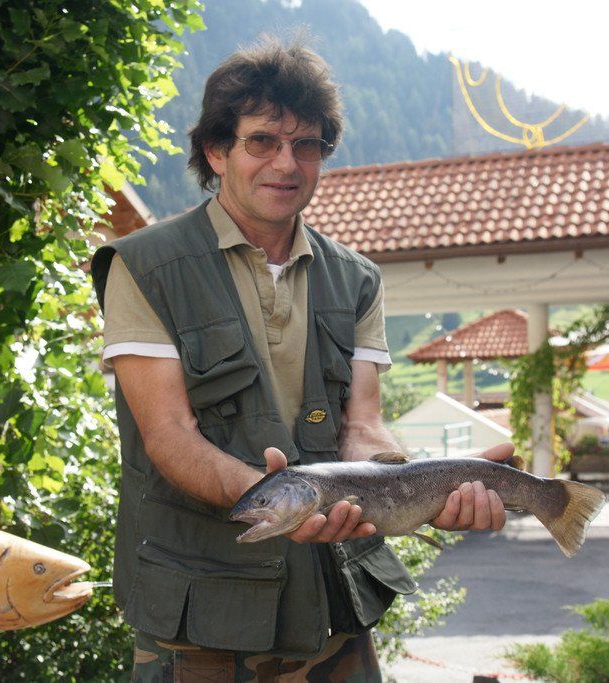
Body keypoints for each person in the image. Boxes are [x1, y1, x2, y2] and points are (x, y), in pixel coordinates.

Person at [91, 37, 512, 682]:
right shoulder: (145, 266)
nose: (286, 164)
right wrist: (284, 501)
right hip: (201, 613)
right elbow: (168, 436)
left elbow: (363, 428)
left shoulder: (356, 278)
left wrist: (421, 493)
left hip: (331, 606)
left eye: (306, 145)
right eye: (262, 141)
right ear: (216, 151)